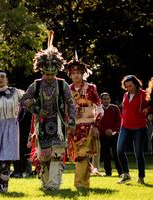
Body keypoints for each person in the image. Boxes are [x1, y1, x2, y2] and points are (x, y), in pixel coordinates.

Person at [21, 31, 76, 191]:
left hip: (59, 124)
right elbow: (23, 100)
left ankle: (54, 184)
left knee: (57, 155)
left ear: (56, 72)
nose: (50, 77)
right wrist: (37, 109)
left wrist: (71, 121)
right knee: (44, 157)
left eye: (52, 74)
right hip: (42, 124)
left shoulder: (62, 84)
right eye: (47, 74)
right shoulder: (36, 85)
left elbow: (70, 103)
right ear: (42, 72)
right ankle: (45, 184)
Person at [64, 51, 104, 189]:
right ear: (70, 74)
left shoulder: (91, 88)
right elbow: (65, 110)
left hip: (88, 126)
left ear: (83, 73)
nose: (76, 75)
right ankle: (85, 183)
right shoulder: (67, 89)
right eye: (73, 73)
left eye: (78, 72)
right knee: (78, 157)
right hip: (73, 127)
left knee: (83, 155)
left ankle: (80, 185)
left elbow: (99, 107)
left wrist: (96, 124)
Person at [117, 75, 149, 184]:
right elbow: (125, 109)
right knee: (120, 150)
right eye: (126, 87)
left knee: (138, 153)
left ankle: (141, 177)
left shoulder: (144, 94)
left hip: (139, 127)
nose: (128, 89)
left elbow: (151, 106)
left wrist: (148, 109)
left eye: (130, 86)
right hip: (125, 126)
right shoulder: (125, 95)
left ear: (136, 84)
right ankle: (126, 175)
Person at [99, 92, 122, 177]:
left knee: (117, 153)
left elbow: (119, 121)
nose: (106, 100)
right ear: (101, 100)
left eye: (108, 99)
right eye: (104, 99)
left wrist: (112, 130)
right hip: (103, 135)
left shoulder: (115, 108)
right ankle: (108, 172)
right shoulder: (98, 109)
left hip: (114, 135)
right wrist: (104, 130)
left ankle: (121, 172)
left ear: (110, 99)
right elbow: (97, 122)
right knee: (105, 154)